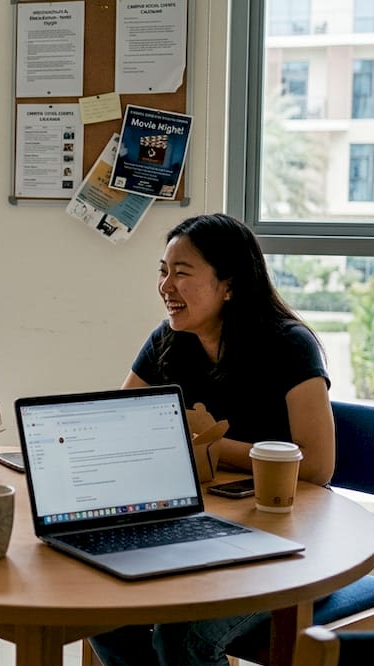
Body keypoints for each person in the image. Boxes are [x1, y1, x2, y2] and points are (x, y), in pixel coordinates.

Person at [88, 214, 336, 666]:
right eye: (162, 271)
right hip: (206, 529)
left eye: (181, 273)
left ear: (229, 284)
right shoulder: (168, 340)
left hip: (289, 544)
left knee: (182, 637)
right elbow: (120, 421)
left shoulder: (289, 346)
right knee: (104, 612)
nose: (165, 286)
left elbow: (317, 466)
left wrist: (203, 443)